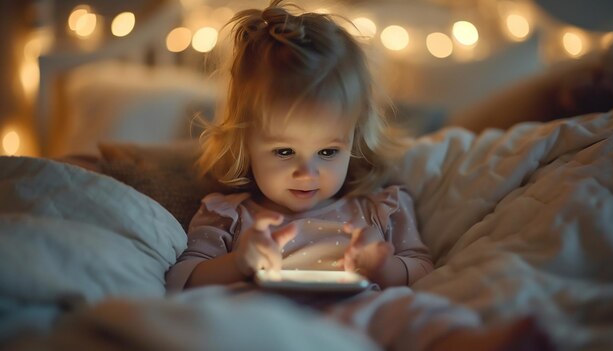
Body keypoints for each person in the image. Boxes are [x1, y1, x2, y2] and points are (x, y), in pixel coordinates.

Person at [166, 1, 553, 350]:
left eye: (328, 152)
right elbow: (181, 279)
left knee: (410, 310)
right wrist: (239, 263)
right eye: (284, 151)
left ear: (355, 138)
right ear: (246, 143)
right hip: (265, 320)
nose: (307, 171)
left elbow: (420, 269)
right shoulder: (228, 214)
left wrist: (383, 267)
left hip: (360, 315)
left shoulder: (377, 208)